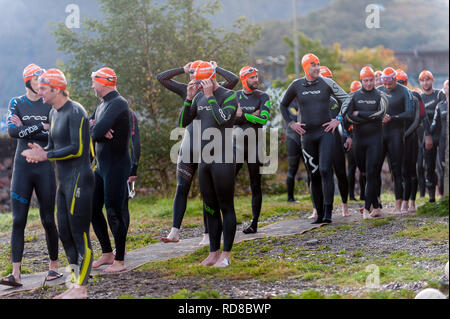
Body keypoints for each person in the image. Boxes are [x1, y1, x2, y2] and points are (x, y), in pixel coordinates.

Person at [22, 68, 94, 299]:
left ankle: (82, 288)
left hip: (80, 180)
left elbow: (79, 149)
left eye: (43, 88)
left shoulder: (75, 111)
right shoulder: (53, 114)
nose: (39, 92)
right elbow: (53, 148)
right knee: (64, 232)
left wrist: (47, 156)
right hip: (63, 183)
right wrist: (41, 152)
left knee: (79, 233)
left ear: (56, 89)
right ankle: (75, 282)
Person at [157, 61, 238, 244]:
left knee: (209, 194)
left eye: (198, 73)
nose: (194, 77)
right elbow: (161, 78)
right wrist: (183, 70)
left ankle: (208, 235)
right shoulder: (191, 90)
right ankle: (174, 231)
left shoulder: (216, 91)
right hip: (190, 144)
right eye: (192, 73)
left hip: (213, 149)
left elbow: (233, 80)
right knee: (182, 187)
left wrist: (216, 68)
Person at [1, 64, 61, 288]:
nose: (42, 83)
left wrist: (28, 127)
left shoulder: (49, 103)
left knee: (47, 219)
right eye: (38, 79)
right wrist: (39, 125)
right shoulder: (16, 103)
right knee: (18, 221)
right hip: (22, 168)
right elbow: (12, 132)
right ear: (28, 81)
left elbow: (52, 134)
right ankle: (15, 274)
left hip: (44, 168)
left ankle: (53, 268)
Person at [179, 61, 238, 267]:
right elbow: (183, 122)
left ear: (211, 79)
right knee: (210, 207)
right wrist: (188, 98)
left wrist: (211, 96)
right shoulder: (197, 96)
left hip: (224, 158)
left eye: (202, 82)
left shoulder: (230, 95)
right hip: (205, 159)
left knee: (226, 207)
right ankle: (213, 253)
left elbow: (222, 119)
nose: (199, 86)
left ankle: (226, 255)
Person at [279, 53, 350, 224]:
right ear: (306, 67)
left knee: (325, 169)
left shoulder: (327, 82)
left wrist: (338, 119)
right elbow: (283, 105)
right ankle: (318, 212)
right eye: (314, 65)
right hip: (307, 136)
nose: (317, 68)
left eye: (318, 64)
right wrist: (291, 123)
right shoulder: (297, 85)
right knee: (314, 173)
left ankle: (328, 212)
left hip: (325, 132)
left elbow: (346, 99)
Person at [89, 67, 131, 273]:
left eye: (94, 81)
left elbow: (96, 132)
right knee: (92, 208)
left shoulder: (118, 103)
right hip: (101, 166)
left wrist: (97, 128)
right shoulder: (102, 104)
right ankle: (107, 253)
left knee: (114, 211)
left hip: (116, 165)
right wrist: (96, 127)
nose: (92, 85)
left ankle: (120, 260)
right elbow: (90, 128)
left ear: (104, 82)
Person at [343, 66, 387, 219]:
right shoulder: (353, 96)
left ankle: (367, 209)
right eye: (365, 81)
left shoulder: (380, 95)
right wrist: (370, 117)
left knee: (371, 172)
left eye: (370, 80)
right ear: (361, 81)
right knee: (363, 172)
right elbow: (348, 117)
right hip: (359, 140)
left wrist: (360, 114)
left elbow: (380, 114)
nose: (368, 83)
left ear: (374, 80)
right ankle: (376, 206)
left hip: (375, 139)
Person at [234, 66, 271, 233]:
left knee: (256, 185)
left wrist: (243, 116)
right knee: (226, 183)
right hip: (236, 146)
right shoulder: (234, 97)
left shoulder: (263, 96)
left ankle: (254, 224)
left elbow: (263, 120)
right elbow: (229, 119)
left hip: (256, 146)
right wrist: (252, 116)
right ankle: (229, 219)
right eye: (252, 78)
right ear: (244, 80)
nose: (256, 80)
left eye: (256, 77)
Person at [377, 67, 414, 214]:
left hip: (396, 134)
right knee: (374, 168)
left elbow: (410, 113)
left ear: (395, 80)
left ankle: (398, 205)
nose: (387, 87)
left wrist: (393, 117)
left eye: (390, 84)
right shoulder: (378, 90)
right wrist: (378, 117)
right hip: (380, 134)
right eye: (385, 84)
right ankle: (375, 204)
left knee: (397, 170)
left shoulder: (404, 91)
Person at [395, 69, 432, 213]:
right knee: (400, 171)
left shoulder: (414, 95)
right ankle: (401, 201)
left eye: (401, 82)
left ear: (405, 82)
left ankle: (411, 201)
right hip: (396, 138)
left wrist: (427, 134)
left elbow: (421, 118)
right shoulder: (391, 95)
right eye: (397, 82)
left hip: (410, 137)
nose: (398, 85)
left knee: (411, 170)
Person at [419, 70, 446, 202]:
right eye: (423, 80)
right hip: (427, 135)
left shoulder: (440, 94)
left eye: (427, 80)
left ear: (432, 80)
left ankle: (443, 194)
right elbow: (421, 119)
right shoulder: (420, 98)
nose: (425, 82)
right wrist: (427, 135)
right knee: (429, 166)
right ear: (420, 82)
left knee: (442, 165)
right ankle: (431, 197)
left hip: (441, 134)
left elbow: (443, 114)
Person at [346, 80, 366, 202]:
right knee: (352, 168)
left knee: (363, 167)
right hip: (352, 138)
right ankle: (351, 195)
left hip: (362, 137)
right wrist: (348, 136)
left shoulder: (363, 101)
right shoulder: (348, 102)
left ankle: (363, 193)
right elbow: (344, 121)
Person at [430, 79, 448, 198]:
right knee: (442, 167)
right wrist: (426, 133)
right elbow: (434, 124)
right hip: (443, 140)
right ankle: (443, 195)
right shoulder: (440, 106)